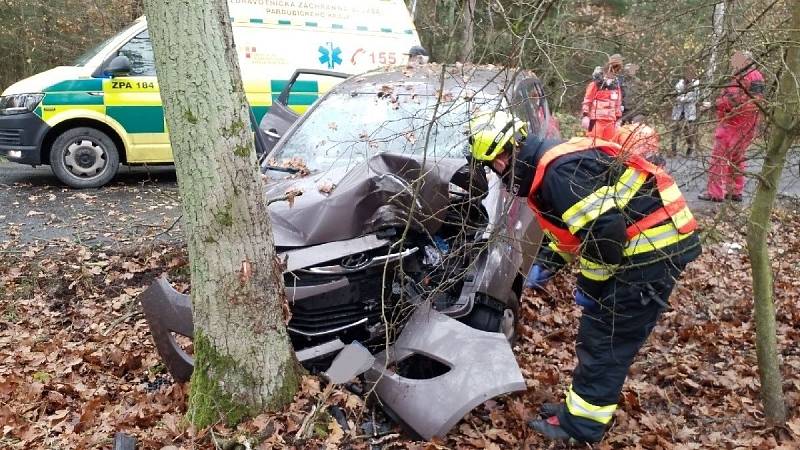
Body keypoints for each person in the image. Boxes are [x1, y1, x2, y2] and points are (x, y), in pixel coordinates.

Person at [469, 111, 701, 444]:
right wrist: (548, 262)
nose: (497, 174)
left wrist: (590, 288)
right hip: (647, 245)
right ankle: (577, 412)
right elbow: (575, 230)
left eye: (494, 166)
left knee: (605, 339)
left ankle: (582, 427)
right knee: (601, 336)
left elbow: (606, 235)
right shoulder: (547, 164)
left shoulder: (558, 174)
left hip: (653, 250)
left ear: (505, 155)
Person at [699, 50, 765, 202]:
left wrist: (713, 105)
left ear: (745, 61)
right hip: (749, 125)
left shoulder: (741, 78)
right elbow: (755, 101)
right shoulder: (758, 76)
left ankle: (715, 193)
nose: (733, 62)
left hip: (733, 124)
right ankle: (735, 191)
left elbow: (733, 101)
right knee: (738, 159)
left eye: (736, 59)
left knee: (719, 158)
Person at [581, 54, 624, 141]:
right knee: (593, 143)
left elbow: (618, 104)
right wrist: (585, 116)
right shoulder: (595, 84)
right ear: (607, 69)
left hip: (611, 122)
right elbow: (587, 100)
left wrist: (618, 120)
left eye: (616, 71)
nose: (614, 73)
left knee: (610, 145)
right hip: (596, 120)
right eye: (612, 70)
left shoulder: (616, 86)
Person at [670, 69, 700, 156]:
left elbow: (695, 97)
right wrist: (682, 98)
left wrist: (683, 98)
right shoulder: (679, 84)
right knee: (674, 131)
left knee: (688, 132)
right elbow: (676, 95)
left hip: (689, 112)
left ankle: (690, 148)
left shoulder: (696, 85)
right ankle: (673, 151)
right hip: (678, 111)